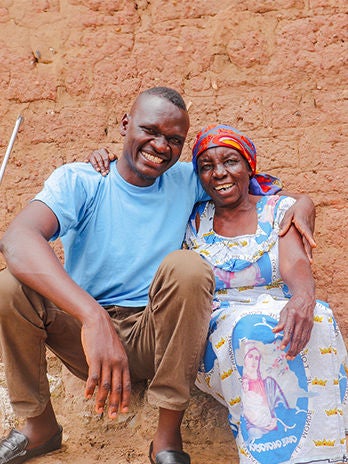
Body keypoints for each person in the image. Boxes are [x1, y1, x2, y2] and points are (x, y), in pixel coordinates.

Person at [0, 87, 315, 464]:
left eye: (174, 140)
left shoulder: (186, 180)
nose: (160, 145)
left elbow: (248, 186)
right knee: (9, 286)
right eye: (150, 130)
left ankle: (166, 438)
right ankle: (40, 427)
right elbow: (18, 238)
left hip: (154, 333)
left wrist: (303, 204)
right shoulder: (81, 181)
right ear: (124, 124)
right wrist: (92, 316)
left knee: (187, 267)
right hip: (85, 339)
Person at [183, 124, 348, 463]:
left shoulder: (278, 209)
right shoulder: (193, 220)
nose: (219, 173)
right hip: (218, 324)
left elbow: (295, 265)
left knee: (319, 316)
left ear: (249, 165)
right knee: (251, 329)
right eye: (207, 166)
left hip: (281, 306)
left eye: (230, 161)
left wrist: (303, 298)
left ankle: (326, 455)